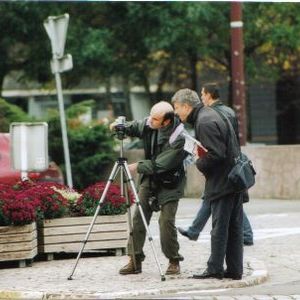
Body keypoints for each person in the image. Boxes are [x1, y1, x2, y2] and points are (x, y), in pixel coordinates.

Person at [172, 88, 244, 280]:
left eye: (177, 108)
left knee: (220, 228)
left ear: (187, 106)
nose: (176, 112)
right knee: (234, 227)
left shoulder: (204, 121)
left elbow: (216, 154)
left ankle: (215, 269)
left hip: (222, 181)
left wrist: (198, 160)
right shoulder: (210, 114)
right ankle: (235, 270)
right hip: (233, 179)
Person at [111, 101, 186, 276]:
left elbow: (161, 164)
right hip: (149, 180)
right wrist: (119, 126)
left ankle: (173, 260)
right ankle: (134, 260)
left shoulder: (180, 137)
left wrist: (137, 166)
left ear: (166, 121)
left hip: (170, 182)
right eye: (150, 116)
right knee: (138, 219)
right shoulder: (150, 123)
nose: (150, 121)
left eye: (155, 118)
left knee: (166, 223)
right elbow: (136, 126)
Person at [177, 83, 253, 246]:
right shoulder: (226, 111)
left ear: (210, 95)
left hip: (223, 171)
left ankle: (244, 236)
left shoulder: (210, 115)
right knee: (228, 204)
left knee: (225, 209)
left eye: (203, 94)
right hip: (228, 168)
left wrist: (201, 162)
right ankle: (196, 231)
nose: (201, 97)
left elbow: (218, 150)